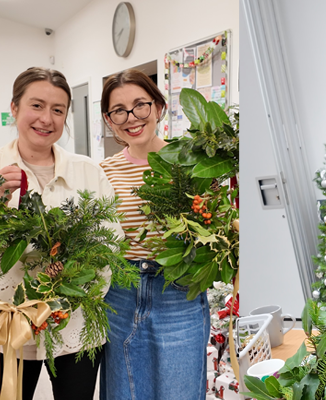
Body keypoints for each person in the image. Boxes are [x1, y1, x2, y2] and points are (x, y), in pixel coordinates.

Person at [0, 67, 118, 400]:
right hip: (6, 326)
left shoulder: (88, 173)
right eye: (37, 105)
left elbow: (109, 245)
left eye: (58, 110)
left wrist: (69, 289)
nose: (47, 118)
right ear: (14, 108)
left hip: (75, 328)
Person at [98, 69, 210, 400]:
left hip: (178, 291)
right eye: (119, 110)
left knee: (180, 391)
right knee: (125, 391)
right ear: (109, 119)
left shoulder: (193, 163)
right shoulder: (104, 172)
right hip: (121, 291)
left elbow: (214, 221)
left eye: (140, 105)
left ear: (158, 107)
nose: (131, 117)